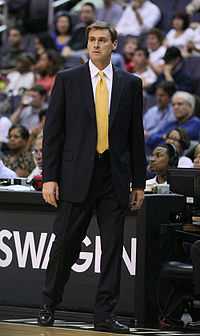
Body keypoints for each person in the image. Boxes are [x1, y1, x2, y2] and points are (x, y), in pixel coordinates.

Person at [38, 21, 146, 333]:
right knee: (65, 246)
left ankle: (104, 315)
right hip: (74, 176)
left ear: (114, 44)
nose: (96, 44)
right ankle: (48, 303)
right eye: (92, 40)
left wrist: (138, 182)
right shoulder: (67, 79)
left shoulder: (130, 83)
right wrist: (49, 177)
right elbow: (53, 133)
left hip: (113, 177)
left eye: (102, 40)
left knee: (113, 249)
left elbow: (135, 137)